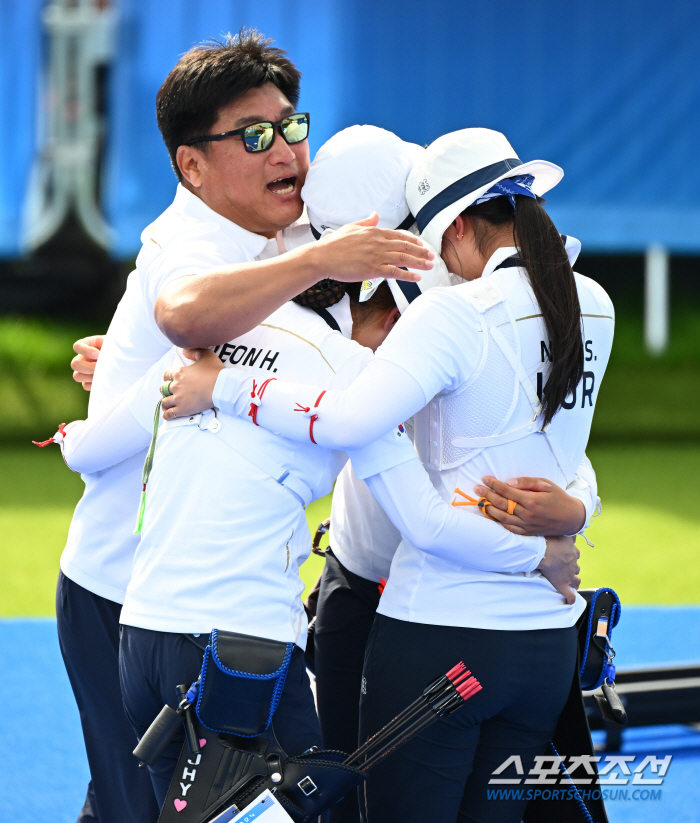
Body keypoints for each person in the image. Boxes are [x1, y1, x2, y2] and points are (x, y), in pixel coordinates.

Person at [40, 30, 434, 823]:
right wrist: (319, 264)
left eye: (292, 125)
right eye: (255, 136)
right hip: (121, 589)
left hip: (199, 595)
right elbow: (185, 310)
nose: (286, 148)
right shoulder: (189, 243)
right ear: (192, 165)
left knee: (184, 803)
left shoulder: (284, 226)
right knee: (150, 808)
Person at [168, 127, 614, 823]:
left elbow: (366, 440)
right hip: (526, 626)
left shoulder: (450, 307)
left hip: (430, 615)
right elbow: (555, 442)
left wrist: (220, 383)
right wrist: (570, 521)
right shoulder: (580, 297)